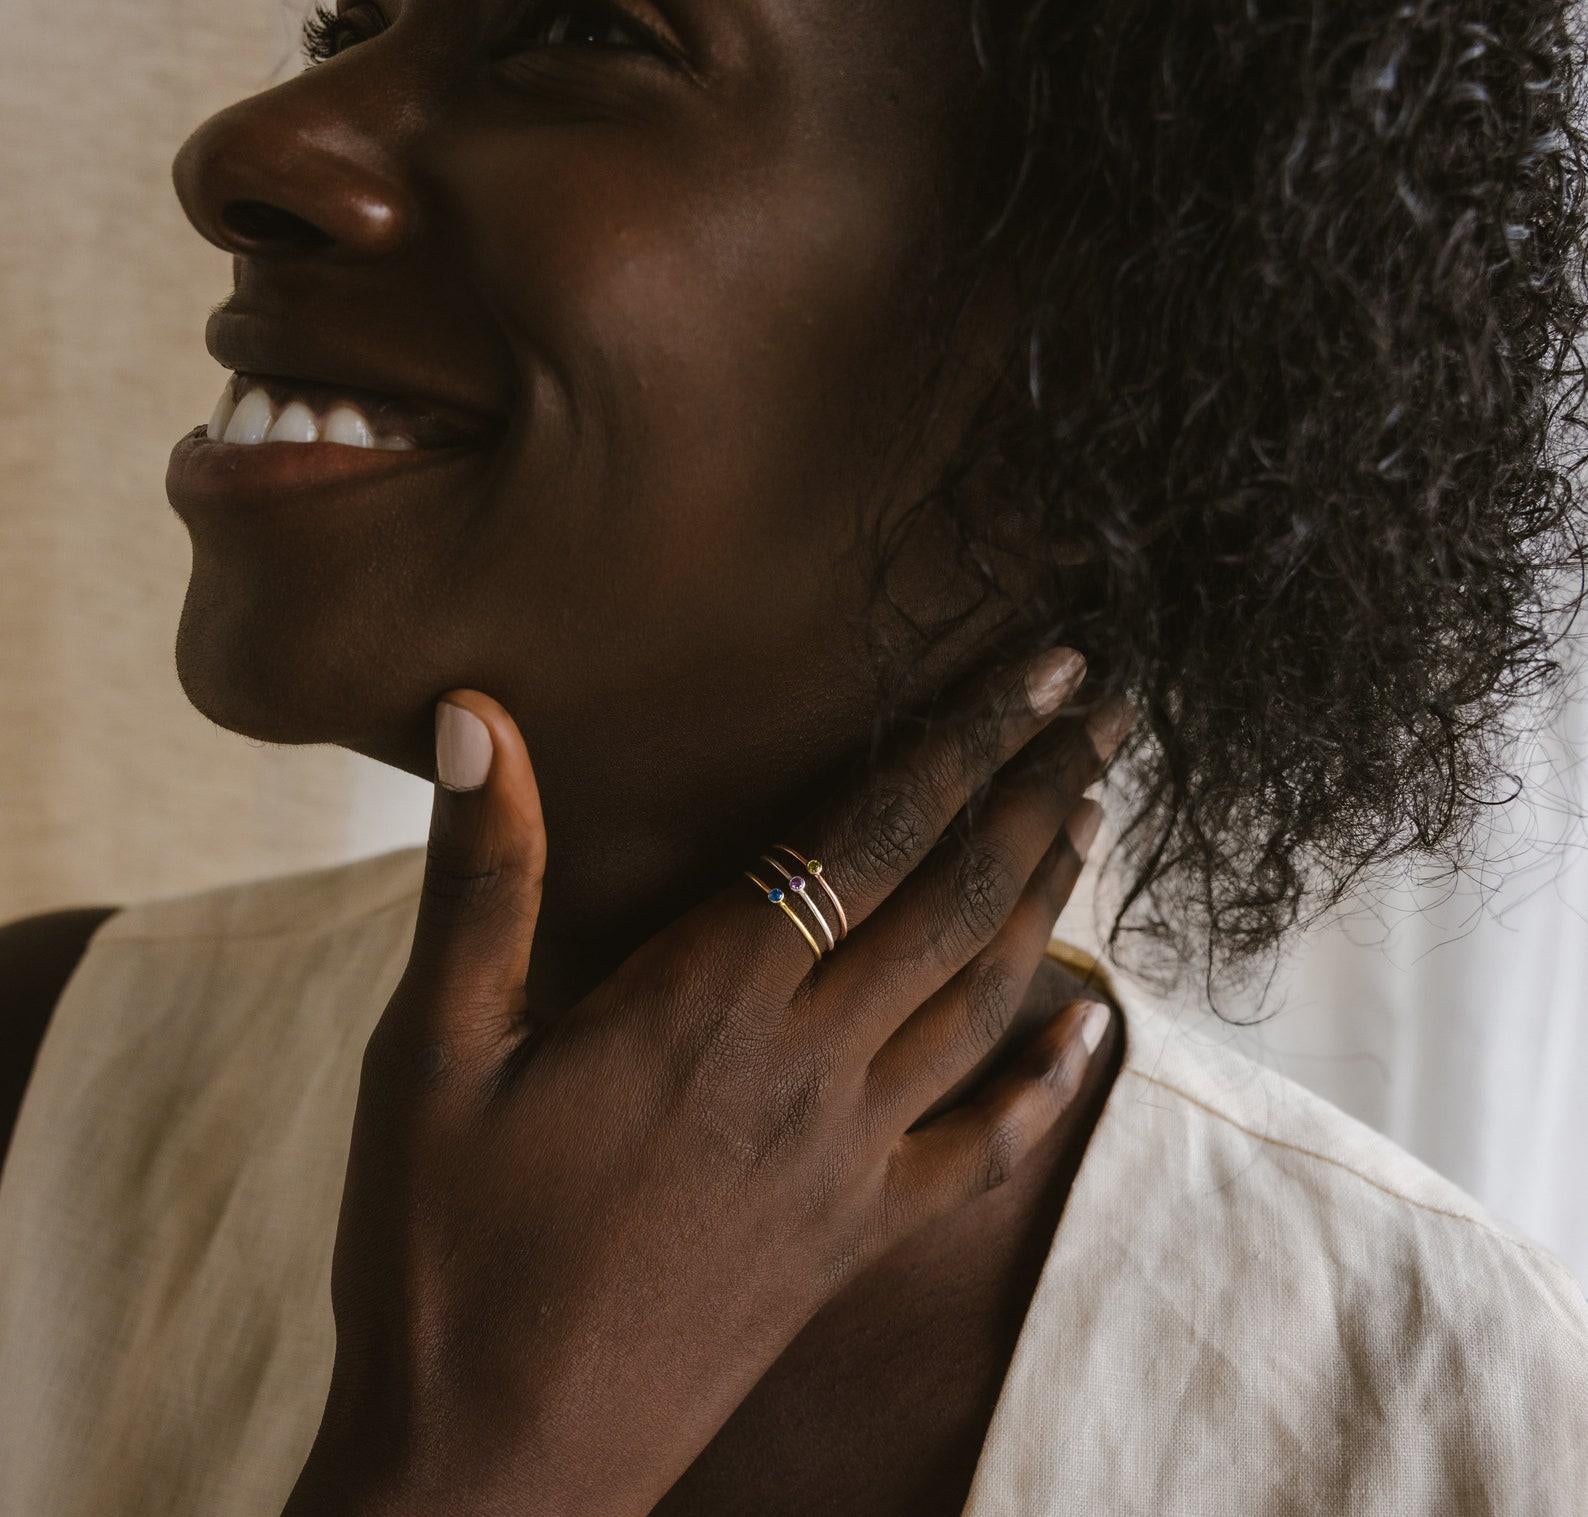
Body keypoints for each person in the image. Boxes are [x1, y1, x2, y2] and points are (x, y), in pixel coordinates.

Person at [2, 1, 1586, 1513]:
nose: (247, 147)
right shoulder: (37, 1090)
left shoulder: (1479, 1435)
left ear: (1112, 365)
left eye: (587, 29)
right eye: (358, 23)